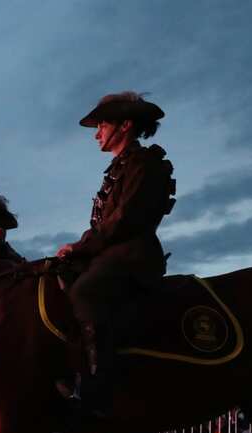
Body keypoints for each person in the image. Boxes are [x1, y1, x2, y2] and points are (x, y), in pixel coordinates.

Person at [57, 91, 176, 416]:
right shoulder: (120, 167)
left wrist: (81, 247)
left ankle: (98, 385)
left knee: (85, 291)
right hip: (111, 254)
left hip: (132, 256)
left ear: (125, 125)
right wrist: (77, 248)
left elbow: (123, 220)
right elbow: (103, 223)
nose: (97, 133)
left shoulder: (144, 163)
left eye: (102, 125)